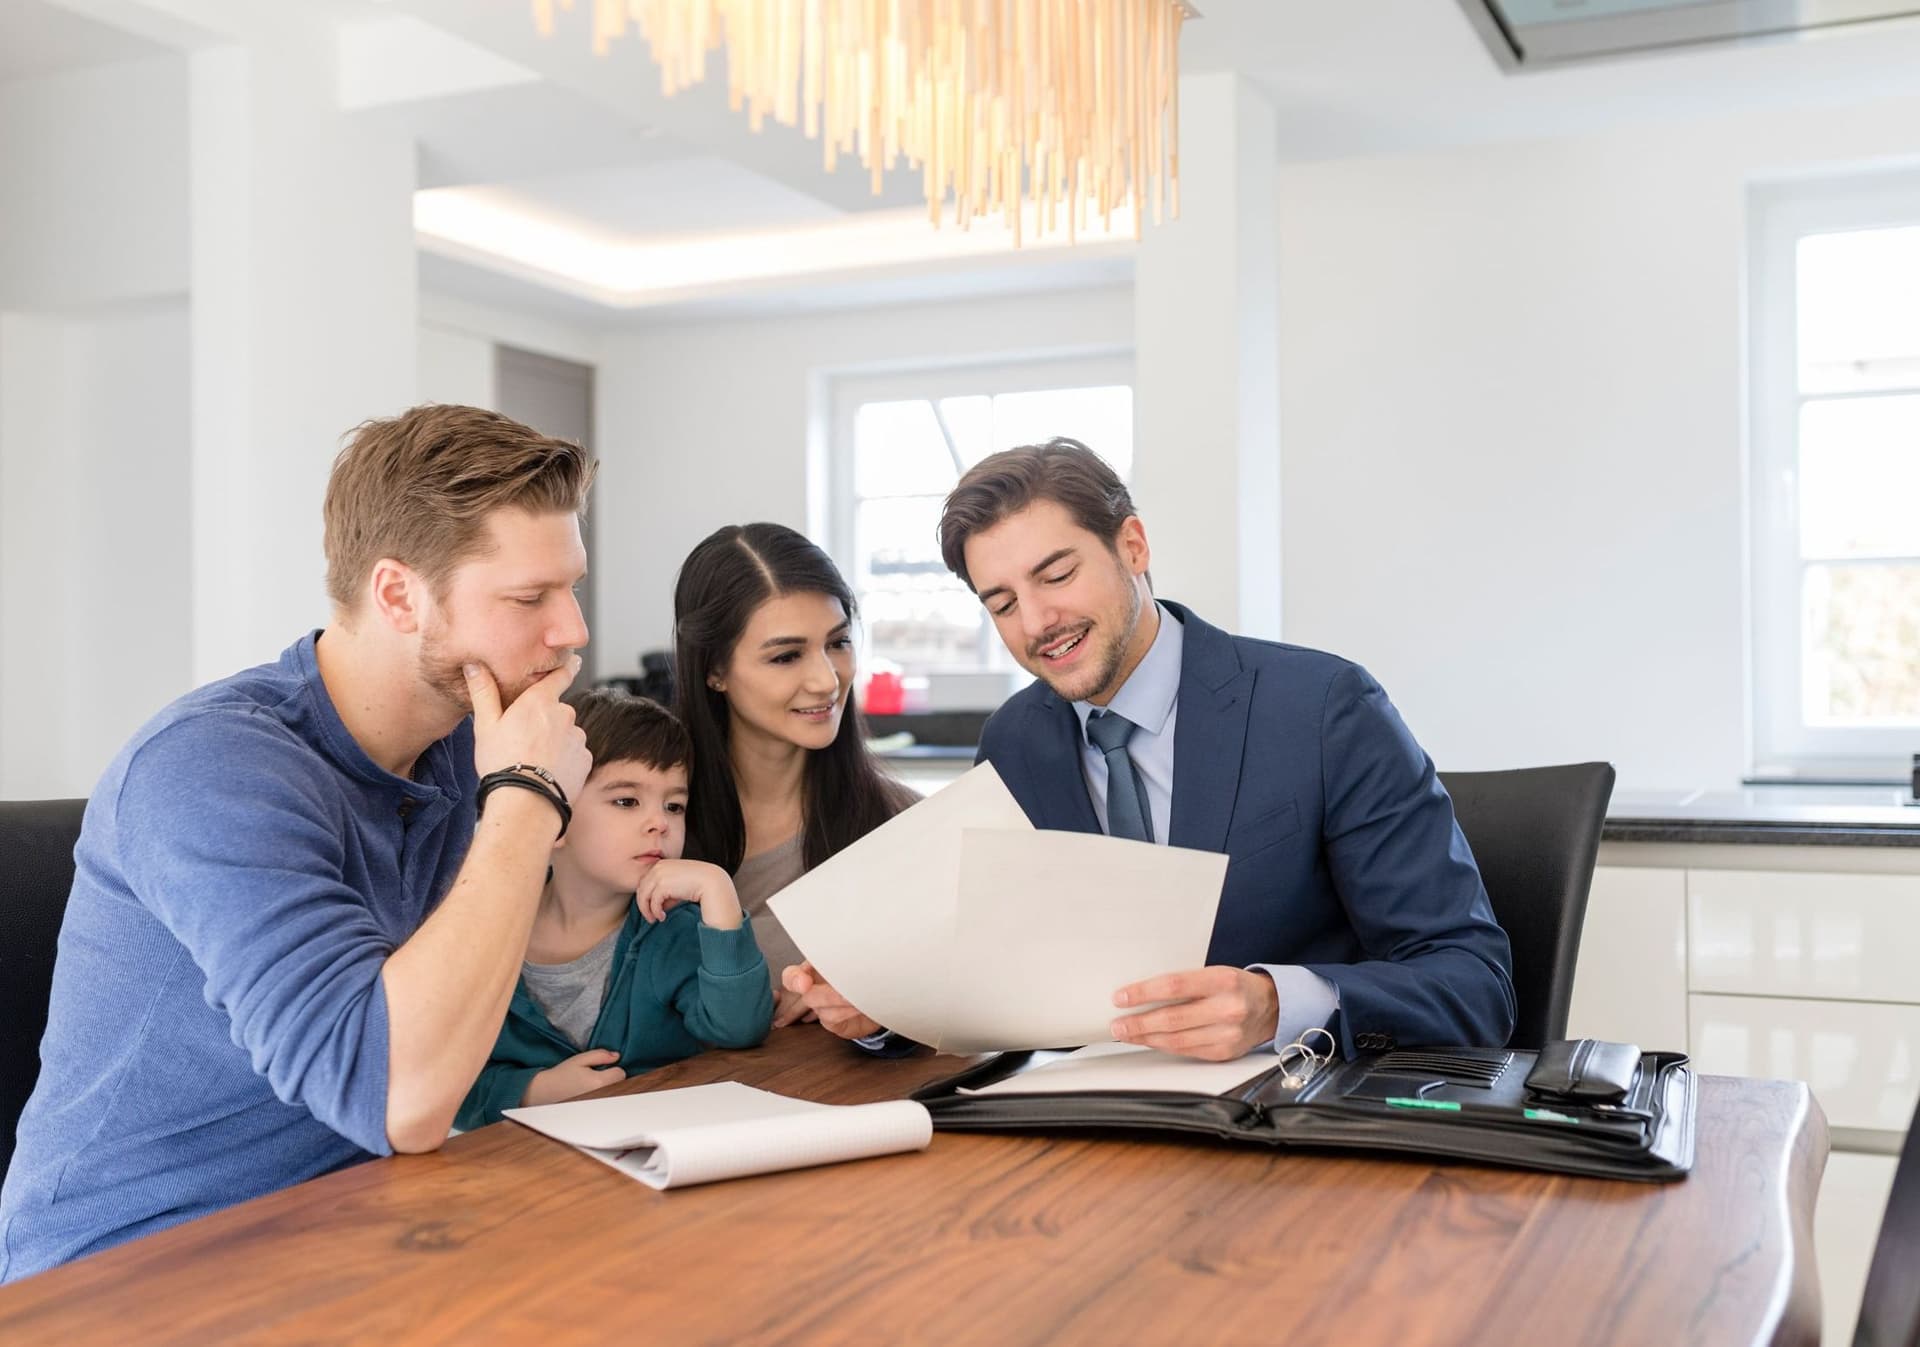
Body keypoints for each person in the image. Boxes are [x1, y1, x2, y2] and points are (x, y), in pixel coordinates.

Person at [0, 405, 596, 1279]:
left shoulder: (467, 747)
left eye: (571, 586)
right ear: (398, 594)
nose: (572, 629)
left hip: (347, 1223)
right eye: (529, 597)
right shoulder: (212, 767)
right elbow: (399, 1094)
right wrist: (528, 798)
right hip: (124, 1271)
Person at [791, 437, 1515, 1060]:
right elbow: (996, 981)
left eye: (1057, 574)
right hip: (1096, 1132)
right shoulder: (1014, 741)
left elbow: (1473, 982)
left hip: (1298, 1126)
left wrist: (1276, 1002)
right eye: (1003, 603)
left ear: (1132, 545)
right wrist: (886, 1004)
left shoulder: (1324, 708)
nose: (1039, 621)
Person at [455, 691, 773, 1129]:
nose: (659, 822)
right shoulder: (481, 932)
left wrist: (718, 893)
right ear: (554, 815)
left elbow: (739, 1029)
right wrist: (534, 1091)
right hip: (521, 1169)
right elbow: (447, 1081)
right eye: (627, 801)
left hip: (653, 1153)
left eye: (674, 805)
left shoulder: (674, 926)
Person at [671, 523, 917, 1032]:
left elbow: (958, 1013)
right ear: (714, 670)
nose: (826, 680)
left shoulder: (905, 826)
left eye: (839, 643)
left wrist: (882, 1011)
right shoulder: (643, 820)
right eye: (786, 656)